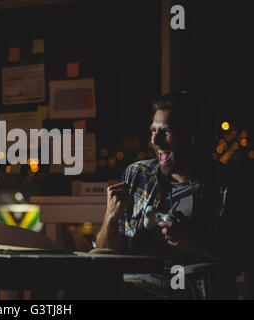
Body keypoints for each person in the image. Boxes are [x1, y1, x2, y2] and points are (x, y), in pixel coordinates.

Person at [95, 92, 249, 299]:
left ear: (194, 138)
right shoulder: (137, 175)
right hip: (136, 288)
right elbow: (106, 254)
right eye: (153, 131)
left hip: (192, 290)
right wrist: (110, 218)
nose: (155, 141)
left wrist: (194, 241)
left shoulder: (225, 185)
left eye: (165, 131)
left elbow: (242, 257)